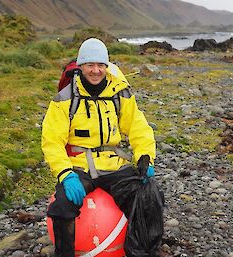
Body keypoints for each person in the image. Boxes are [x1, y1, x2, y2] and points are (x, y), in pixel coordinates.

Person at [42, 38, 162, 257]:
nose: (95, 71)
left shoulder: (120, 93)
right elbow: (52, 141)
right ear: (80, 66)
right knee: (62, 208)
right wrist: (65, 174)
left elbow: (138, 127)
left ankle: (139, 252)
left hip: (113, 165)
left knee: (148, 196)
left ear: (107, 66)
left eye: (101, 65)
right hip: (78, 166)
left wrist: (146, 157)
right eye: (90, 65)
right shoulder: (65, 98)